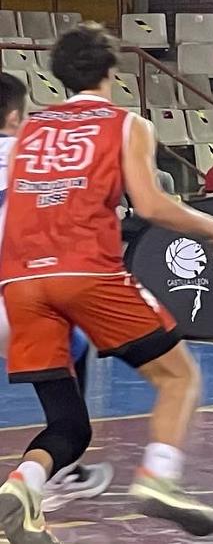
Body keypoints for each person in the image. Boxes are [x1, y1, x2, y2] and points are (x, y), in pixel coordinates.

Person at [0, 25, 213, 543]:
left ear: (58, 76)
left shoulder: (30, 132)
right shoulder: (126, 124)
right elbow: (150, 206)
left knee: (69, 425)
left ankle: (20, 488)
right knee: (179, 379)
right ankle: (159, 478)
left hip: (20, 281)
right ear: (114, 70)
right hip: (85, 272)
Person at [0, 73, 113, 518]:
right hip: (21, 304)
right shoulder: (36, 157)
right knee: (76, 366)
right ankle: (59, 471)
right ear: (14, 116)